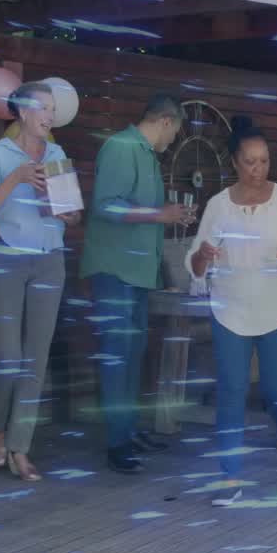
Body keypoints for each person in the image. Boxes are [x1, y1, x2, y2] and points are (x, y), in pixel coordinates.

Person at [186, 116, 277, 506]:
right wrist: (203, 258)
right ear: (234, 163)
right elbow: (194, 266)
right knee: (231, 391)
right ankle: (230, 478)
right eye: (250, 162)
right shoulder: (217, 206)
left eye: (264, 161)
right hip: (231, 311)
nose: (258, 169)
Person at [0, 81, 82, 482]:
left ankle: (20, 447)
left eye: (52, 109)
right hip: (6, 263)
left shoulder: (57, 154)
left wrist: (65, 211)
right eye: (42, 108)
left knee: (35, 360)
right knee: (8, 359)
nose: (49, 115)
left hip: (49, 262)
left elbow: (72, 217)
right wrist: (16, 178)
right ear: (21, 112)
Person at [79, 93, 194, 474]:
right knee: (118, 356)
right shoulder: (121, 146)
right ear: (165, 121)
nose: (172, 141)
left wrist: (165, 218)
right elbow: (106, 205)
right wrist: (160, 214)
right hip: (115, 271)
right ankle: (117, 444)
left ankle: (127, 431)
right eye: (174, 133)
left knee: (132, 354)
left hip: (138, 273)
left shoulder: (145, 154)